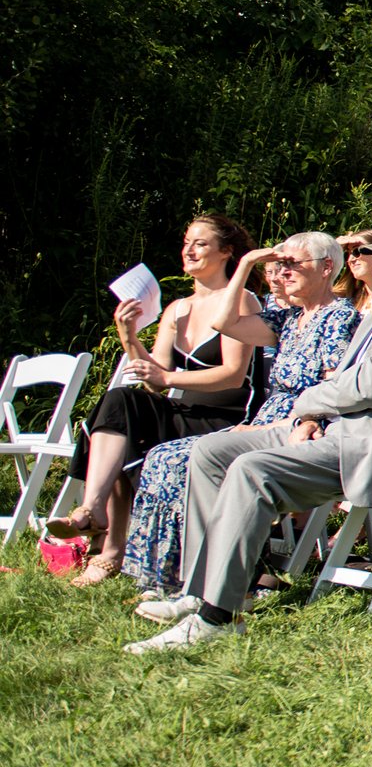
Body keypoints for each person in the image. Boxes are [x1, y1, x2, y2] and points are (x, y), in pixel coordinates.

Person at [127, 224, 372, 652]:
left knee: (251, 470)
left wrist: (305, 403)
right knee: (211, 451)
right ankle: (204, 588)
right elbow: (347, 382)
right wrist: (315, 410)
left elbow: (367, 386)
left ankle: (217, 617)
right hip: (341, 430)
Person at [123, 233, 359, 598]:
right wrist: (247, 264)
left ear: (327, 267)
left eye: (293, 264)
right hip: (269, 419)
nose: (283, 272)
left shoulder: (338, 318)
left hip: (304, 424)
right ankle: (178, 577)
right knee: (163, 456)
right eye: (280, 265)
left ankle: (211, 583)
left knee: (182, 459)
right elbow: (224, 323)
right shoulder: (291, 318)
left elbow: (333, 391)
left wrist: (287, 423)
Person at [49, 214, 259, 585]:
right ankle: (93, 510)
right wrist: (129, 336)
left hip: (225, 417)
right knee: (120, 406)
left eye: (200, 243)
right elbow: (155, 381)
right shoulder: (177, 308)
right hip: (183, 410)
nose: (189, 250)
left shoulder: (239, 300)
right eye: (185, 243)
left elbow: (232, 374)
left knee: (128, 423)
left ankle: (110, 551)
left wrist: (167, 377)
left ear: (226, 252)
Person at [337, 229, 372, 315]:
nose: (350, 259)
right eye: (347, 254)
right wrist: (332, 250)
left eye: (357, 251)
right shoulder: (343, 298)